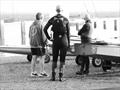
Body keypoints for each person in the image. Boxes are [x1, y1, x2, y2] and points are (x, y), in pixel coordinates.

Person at [44, 5, 70, 81]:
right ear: (62, 11)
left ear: (56, 10)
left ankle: (53, 76)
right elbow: (68, 33)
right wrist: (68, 43)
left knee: (54, 59)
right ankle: (61, 76)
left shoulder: (52, 19)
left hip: (55, 40)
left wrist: (49, 38)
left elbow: (45, 29)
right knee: (62, 59)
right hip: (63, 40)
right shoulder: (65, 19)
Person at [29, 12, 48, 77]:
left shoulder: (31, 25)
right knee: (42, 57)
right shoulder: (41, 25)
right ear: (41, 18)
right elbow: (43, 36)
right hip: (39, 44)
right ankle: (42, 72)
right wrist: (46, 43)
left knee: (34, 57)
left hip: (32, 44)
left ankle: (33, 72)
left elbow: (29, 35)